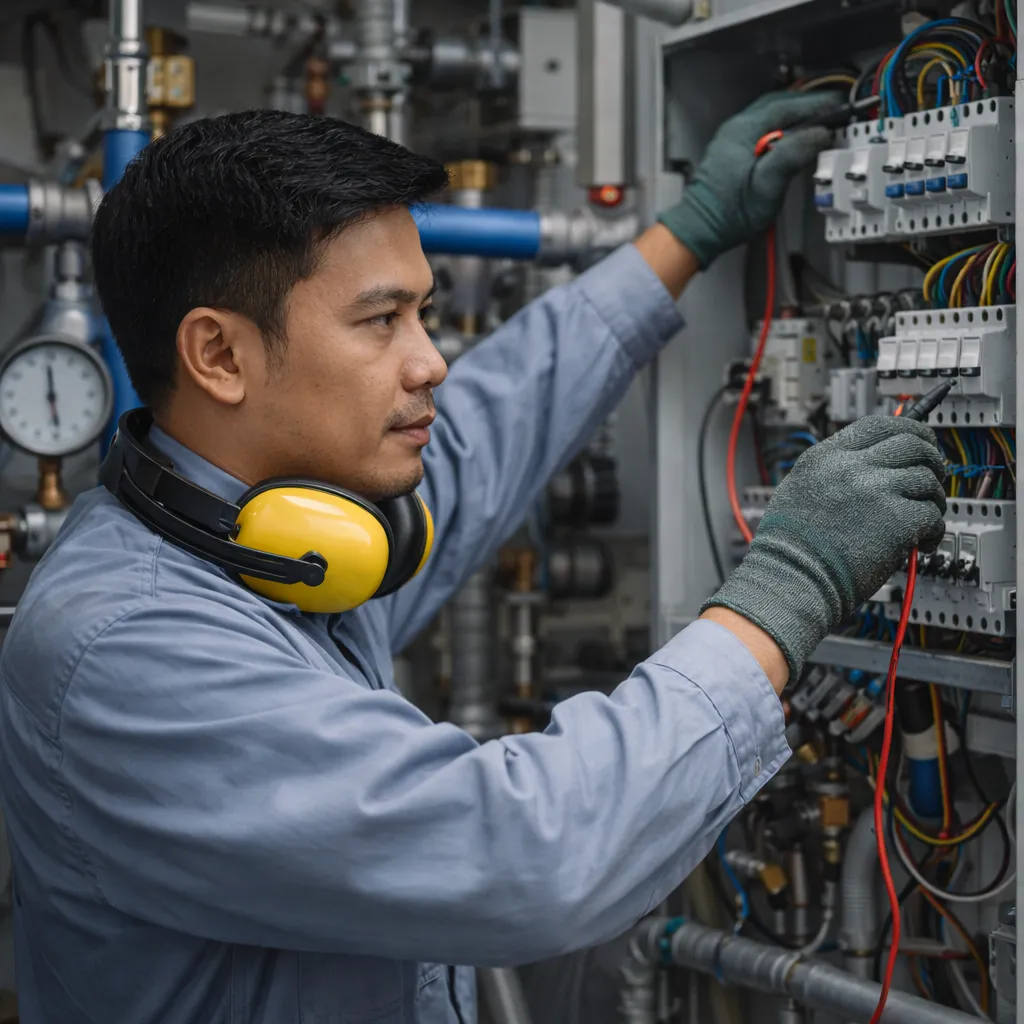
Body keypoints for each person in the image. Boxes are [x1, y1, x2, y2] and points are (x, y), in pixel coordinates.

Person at [0, 93, 945, 1024]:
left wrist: (686, 235)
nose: (431, 361)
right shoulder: (128, 653)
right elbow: (524, 857)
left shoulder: (279, 530)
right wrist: (787, 588)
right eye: (381, 321)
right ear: (219, 355)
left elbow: (487, 431)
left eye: (425, 312)